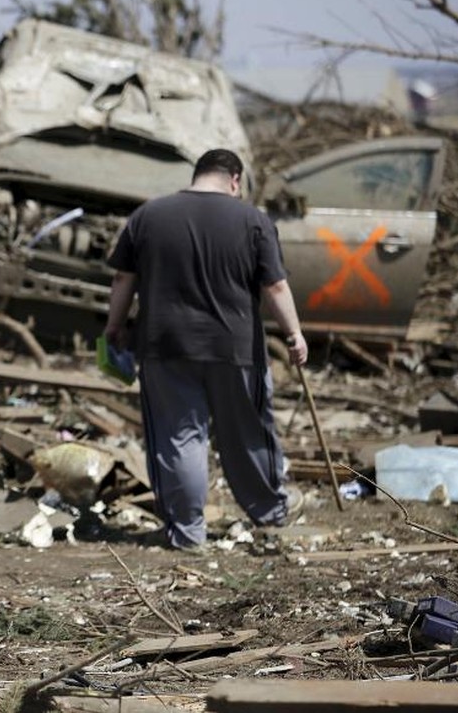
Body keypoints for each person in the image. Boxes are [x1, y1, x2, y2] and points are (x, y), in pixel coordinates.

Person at [104, 148, 307, 550]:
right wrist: (294, 334)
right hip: (236, 349)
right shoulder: (253, 220)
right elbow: (276, 287)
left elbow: (123, 280)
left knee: (179, 438)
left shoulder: (149, 216)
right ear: (235, 180)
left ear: (197, 174)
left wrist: (114, 327)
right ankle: (270, 512)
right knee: (247, 432)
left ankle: (187, 532)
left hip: (165, 345)